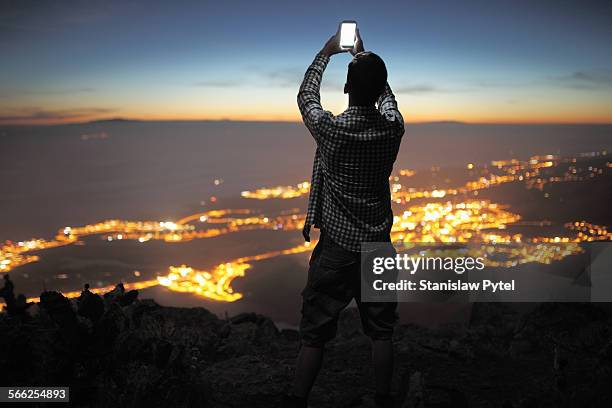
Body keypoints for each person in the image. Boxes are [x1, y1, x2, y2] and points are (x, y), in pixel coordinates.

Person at [285, 27, 404, 408]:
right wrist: (366, 62)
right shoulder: (392, 129)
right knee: (382, 333)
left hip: (336, 251)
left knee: (314, 335)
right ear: (379, 89)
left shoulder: (332, 132)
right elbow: (389, 100)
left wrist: (327, 51)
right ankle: (383, 399)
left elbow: (306, 97)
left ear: (347, 89)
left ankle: (297, 400)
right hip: (378, 247)